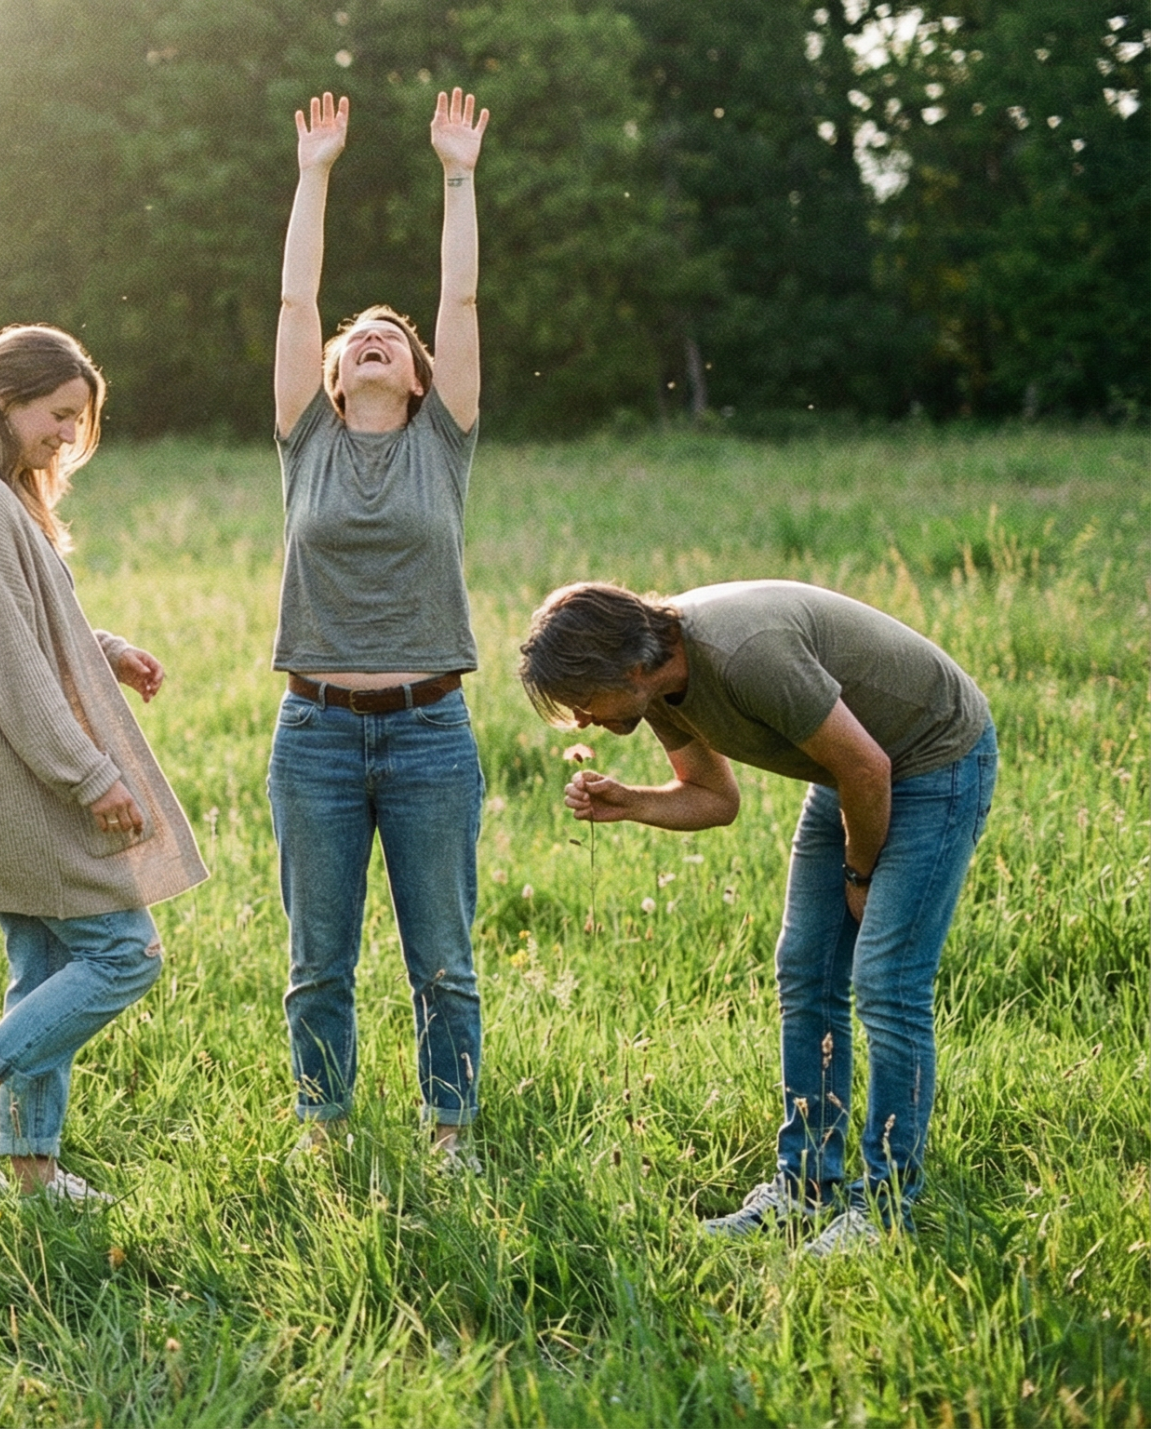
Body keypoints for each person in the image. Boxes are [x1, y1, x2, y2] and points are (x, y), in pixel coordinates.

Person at [519, 579, 994, 1254]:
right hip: (852, 771)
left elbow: (868, 767)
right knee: (805, 968)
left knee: (887, 981)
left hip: (933, 758)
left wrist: (860, 873)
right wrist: (632, 802)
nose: (584, 720)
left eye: (583, 700)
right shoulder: (657, 687)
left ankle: (885, 1211)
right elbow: (714, 798)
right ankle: (805, 1189)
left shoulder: (743, 653)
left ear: (625, 669)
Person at [0, 325, 208, 1202]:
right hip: (20, 775)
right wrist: (90, 773)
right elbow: (5, 657)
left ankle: (32, 1166)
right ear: (7, 402)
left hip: (1, 770)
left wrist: (99, 647)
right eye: (59, 415)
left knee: (42, 963)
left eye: (78, 421)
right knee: (123, 952)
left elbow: (16, 623)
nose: (68, 437)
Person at [267, 89, 491, 1163]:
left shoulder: (442, 442)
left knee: (440, 956)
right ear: (329, 371)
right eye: (356, 339)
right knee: (319, 958)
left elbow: (458, 294)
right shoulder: (302, 439)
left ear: (417, 377)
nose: (369, 341)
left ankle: (450, 1129)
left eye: (388, 340)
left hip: (429, 733)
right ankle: (324, 1126)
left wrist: (457, 172)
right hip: (312, 732)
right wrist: (313, 173)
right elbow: (294, 298)